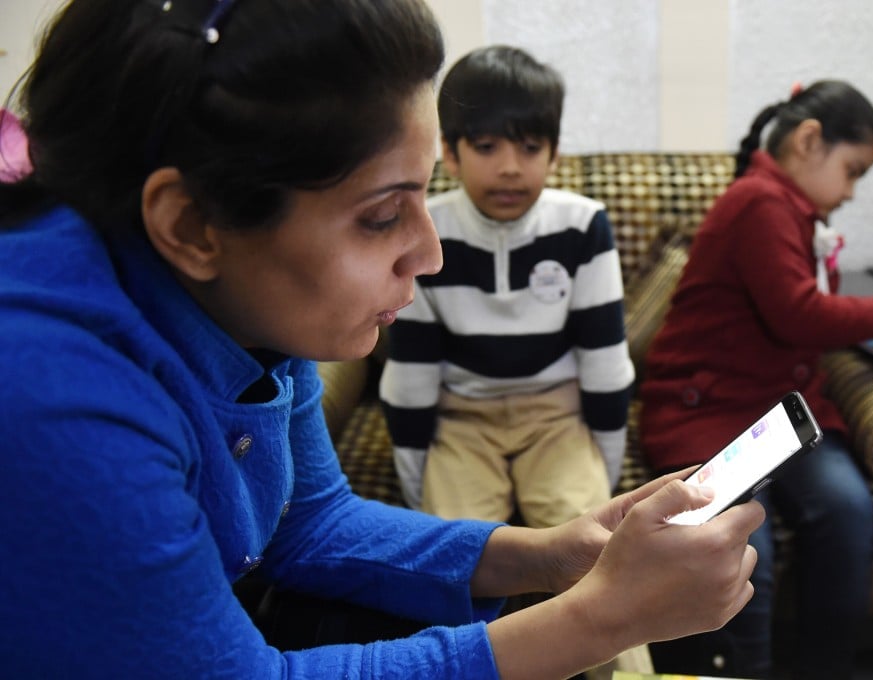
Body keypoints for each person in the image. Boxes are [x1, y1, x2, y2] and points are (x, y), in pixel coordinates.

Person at [0, 1, 765, 678]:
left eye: (424, 196)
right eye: (380, 216)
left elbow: (311, 522)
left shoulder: (249, 300)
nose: (430, 254)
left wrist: (556, 552)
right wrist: (602, 618)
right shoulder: (53, 399)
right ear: (192, 225)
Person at [639, 80, 873, 679]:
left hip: (777, 413)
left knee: (848, 509)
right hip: (706, 409)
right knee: (748, 544)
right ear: (810, 141)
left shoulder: (791, 209)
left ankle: (824, 667)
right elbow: (798, 311)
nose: (852, 191)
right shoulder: (759, 202)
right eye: (852, 170)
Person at [379, 45, 634, 529]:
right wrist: (418, 482)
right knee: (459, 549)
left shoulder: (583, 226)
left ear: (554, 154)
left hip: (557, 419)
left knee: (583, 542)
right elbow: (411, 371)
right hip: (463, 421)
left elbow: (604, 360)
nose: (511, 167)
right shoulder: (427, 230)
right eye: (488, 147)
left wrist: (605, 465)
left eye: (530, 148)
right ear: (450, 154)